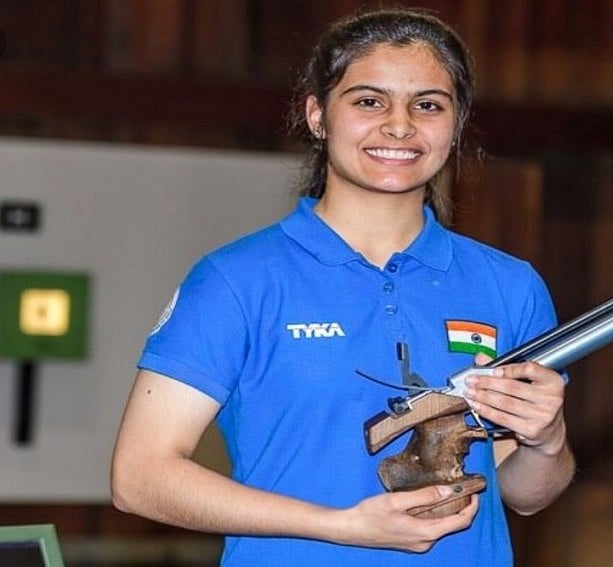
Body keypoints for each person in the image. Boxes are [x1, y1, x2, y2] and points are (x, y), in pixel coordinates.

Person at [111, 7, 575, 566]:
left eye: (427, 105)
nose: (400, 126)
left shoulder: (509, 285)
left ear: (456, 125)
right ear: (317, 116)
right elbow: (139, 477)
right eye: (368, 101)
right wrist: (342, 527)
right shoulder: (238, 279)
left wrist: (546, 440)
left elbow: (525, 494)